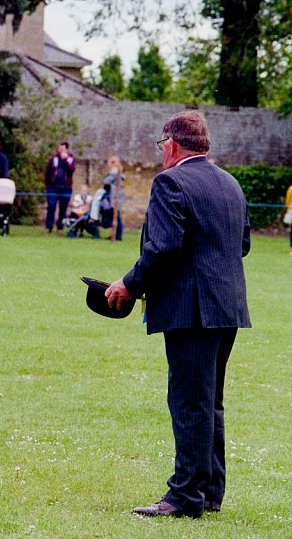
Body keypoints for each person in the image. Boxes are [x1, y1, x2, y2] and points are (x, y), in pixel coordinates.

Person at [106, 111, 251, 518]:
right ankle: (209, 491)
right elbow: (242, 245)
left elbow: (163, 248)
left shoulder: (170, 182)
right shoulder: (231, 183)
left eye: (161, 146)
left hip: (191, 310)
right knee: (210, 402)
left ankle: (185, 495)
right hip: (228, 307)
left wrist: (129, 284)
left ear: (171, 145)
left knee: (190, 402)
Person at [44, 141, 75, 234]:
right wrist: (48, 184)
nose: (60, 150)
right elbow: (48, 172)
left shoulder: (71, 159)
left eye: (62, 149)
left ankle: (60, 228)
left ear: (66, 149)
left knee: (63, 208)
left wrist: (65, 160)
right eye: (59, 149)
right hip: (53, 187)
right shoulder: (53, 158)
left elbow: (71, 170)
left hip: (66, 188)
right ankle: (48, 227)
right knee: (51, 206)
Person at [101, 155, 126, 241]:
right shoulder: (116, 172)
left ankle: (118, 236)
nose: (107, 164)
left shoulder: (114, 173)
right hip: (116, 196)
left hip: (115, 197)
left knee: (116, 216)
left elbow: (105, 181)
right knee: (115, 216)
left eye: (109, 162)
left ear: (112, 163)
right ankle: (115, 234)